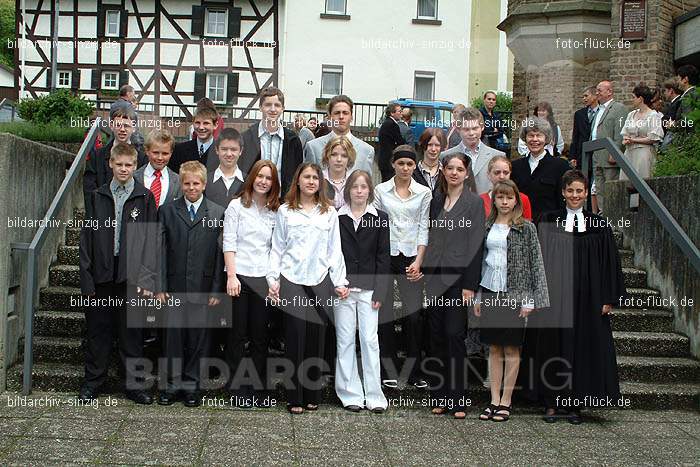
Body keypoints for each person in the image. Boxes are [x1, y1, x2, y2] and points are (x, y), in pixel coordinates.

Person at [527, 170, 624, 424]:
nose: (575, 195)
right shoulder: (547, 221)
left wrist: (608, 298)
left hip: (587, 300)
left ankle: (575, 404)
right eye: (570, 190)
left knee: (582, 349)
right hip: (554, 297)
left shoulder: (599, 226)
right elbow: (535, 260)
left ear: (585, 193)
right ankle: (551, 402)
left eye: (579, 191)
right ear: (563, 192)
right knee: (552, 347)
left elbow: (609, 265)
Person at [78, 142, 157, 404]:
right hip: (101, 275)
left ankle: (134, 386)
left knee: (131, 335)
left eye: (129, 165)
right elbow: (86, 241)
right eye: (119, 164)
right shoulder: (97, 196)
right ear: (110, 164)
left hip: (130, 277)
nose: (124, 169)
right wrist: (87, 282)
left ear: (136, 166)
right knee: (97, 333)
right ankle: (93, 382)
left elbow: (150, 242)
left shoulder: (145, 198)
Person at [267, 163, 349, 414]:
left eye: (315, 177)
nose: (311, 181)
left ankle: (312, 394)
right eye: (307, 177)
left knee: (316, 337)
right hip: (292, 279)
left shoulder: (329, 213)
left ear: (320, 183)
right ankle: (294, 397)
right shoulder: (285, 211)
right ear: (298, 181)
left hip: (320, 279)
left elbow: (334, 250)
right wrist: (273, 279)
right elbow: (277, 248)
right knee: (295, 336)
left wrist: (340, 281)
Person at [475, 180, 548, 423]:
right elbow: (479, 262)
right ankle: (493, 399)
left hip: (514, 293)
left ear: (516, 200)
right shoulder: (486, 226)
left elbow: (536, 264)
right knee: (493, 347)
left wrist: (531, 299)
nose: (504, 202)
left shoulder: (526, 228)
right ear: (494, 200)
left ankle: (507, 400)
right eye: (500, 197)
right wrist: (477, 294)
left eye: (509, 197)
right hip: (489, 290)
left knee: (511, 348)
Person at [156, 161, 225, 407]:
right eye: (187, 183)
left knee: (198, 338)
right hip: (174, 286)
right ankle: (171, 385)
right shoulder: (167, 211)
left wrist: (217, 289)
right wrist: (160, 286)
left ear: (204, 185)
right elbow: (160, 251)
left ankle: (192, 385)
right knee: (172, 337)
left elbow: (220, 255)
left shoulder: (217, 213)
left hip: (203, 288)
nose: (191, 188)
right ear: (180, 184)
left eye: (196, 183)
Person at [423, 152, 484, 419]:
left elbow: (476, 245)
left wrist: (470, 284)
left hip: (459, 280)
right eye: (450, 168)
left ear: (467, 173)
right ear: (444, 171)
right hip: (435, 277)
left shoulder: (473, 203)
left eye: (460, 169)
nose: (454, 173)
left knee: (454, 336)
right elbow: (430, 237)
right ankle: (439, 395)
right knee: (435, 336)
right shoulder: (436, 201)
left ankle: (458, 397)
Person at [373, 145, 431, 389]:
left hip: (411, 257)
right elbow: (376, 225)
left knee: (414, 316)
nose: (405, 168)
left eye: (409, 164)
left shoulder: (424, 192)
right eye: (401, 164)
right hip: (387, 256)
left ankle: (414, 370)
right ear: (393, 164)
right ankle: (388, 369)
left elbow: (423, 227)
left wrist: (418, 261)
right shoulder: (380, 190)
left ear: (415, 166)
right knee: (384, 314)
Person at [223, 160, 280, 406]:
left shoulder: (276, 211)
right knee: (237, 335)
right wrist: (231, 276)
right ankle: (236, 387)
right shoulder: (236, 206)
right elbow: (229, 243)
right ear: (252, 178)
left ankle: (258, 388)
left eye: (268, 178)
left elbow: (276, 248)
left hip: (263, 279)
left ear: (273, 183)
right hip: (240, 277)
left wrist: (273, 281)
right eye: (260, 176)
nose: (263, 181)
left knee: (260, 335)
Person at [335, 170, 391, 413]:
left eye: (364, 187)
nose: (359, 191)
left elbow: (383, 256)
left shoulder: (380, 217)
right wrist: (337, 283)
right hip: (344, 289)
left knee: (369, 340)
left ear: (370, 191)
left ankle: (375, 395)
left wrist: (381, 290)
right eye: (355, 186)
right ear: (348, 190)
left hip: (369, 290)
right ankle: (350, 394)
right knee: (345, 341)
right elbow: (332, 254)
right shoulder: (336, 218)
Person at [239, 87, 304, 198]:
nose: (273, 109)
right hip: (253, 201)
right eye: (268, 105)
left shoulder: (293, 140)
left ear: (283, 108)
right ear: (260, 107)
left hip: (283, 202)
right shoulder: (246, 138)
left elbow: (297, 173)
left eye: (277, 105)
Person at [84, 108, 147, 213]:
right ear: (111, 126)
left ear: (134, 128)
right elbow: (89, 189)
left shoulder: (142, 159)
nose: (122, 129)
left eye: (126, 126)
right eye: (118, 125)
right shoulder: (97, 156)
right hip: (102, 215)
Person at [511, 117, 570, 222]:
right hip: (520, 225)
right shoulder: (515, 167)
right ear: (525, 138)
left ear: (546, 138)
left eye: (539, 135)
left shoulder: (560, 166)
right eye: (530, 135)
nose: (534, 139)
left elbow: (563, 201)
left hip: (549, 227)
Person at [304, 95, 375, 175]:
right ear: (330, 117)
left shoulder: (366, 151)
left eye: (345, 113)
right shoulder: (313, 147)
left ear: (351, 117)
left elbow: (366, 185)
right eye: (337, 113)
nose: (341, 117)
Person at [441, 107, 503, 194]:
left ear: (482, 127)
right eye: (466, 129)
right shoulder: (445, 156)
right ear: (458, 130)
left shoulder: (497, 156)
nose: (471, 133)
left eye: (475, 128)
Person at [590, 80, 628, 213]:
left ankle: (613, 217)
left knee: (611, 187)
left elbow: (620, 132)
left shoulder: (619, 108)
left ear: (609, 92)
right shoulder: (597, 110)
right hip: (597, 154)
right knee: (599, 188)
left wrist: (615, 152)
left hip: (609, 155)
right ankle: (603, 215)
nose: (597, 93)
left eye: (599, 90)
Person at [620, 84, 664, 180]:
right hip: (629, 153)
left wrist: (635, 140)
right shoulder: (631, 114)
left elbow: (654, 138)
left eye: (634, 97)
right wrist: (626, 140)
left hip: (643, 152)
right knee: (626, 182)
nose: (632, 99)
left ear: (640, 99)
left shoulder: (653, 115)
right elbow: (625, 133)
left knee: (642, 181)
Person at [133, 129, 182, 210]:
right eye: (155, 153)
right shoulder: (134, 177)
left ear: (171, 153)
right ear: (147, 151)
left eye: (165, 153)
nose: (160, 158)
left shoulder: (178, 181)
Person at [480, 156, 532, 220]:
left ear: (510, 174)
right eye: (497, 173)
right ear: (488, 174)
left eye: (505, 173)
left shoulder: (522, 199)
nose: (502, 176)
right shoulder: (479, 201)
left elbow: (528, 228)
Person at [169, 107, 219, 174]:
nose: (201, 127)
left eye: (206, 123)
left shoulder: (221, 153)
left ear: (215, 125)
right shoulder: (179, 149)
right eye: (197, 123)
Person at [205, 128, 246, 208]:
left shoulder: (249, 181)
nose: (229, 154)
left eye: (233, 150)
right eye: (224, 149)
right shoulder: (205, 180)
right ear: (217, 150)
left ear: (241, 151)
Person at [322, 135, 356, 209]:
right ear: (327, 156)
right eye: (334, 155)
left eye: (344, 156)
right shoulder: (318, 179)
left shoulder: (355, 180)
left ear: (349, 158)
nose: (339, 159)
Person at [569, 86, 599, 168]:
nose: (584, 99)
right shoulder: (579, 114)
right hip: (582, 153)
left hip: (597, 152)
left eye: (586, 96)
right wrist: (572, 156)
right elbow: (575, 136)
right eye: (583, 97)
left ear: (595, 96)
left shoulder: (602, 112)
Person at [377, 102, 405, 182]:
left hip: (384, 159)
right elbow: (400, 141)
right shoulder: (392, 125)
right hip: (388, 161)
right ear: (392, 113)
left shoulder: (386, 123)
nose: (401, 114)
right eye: (399, 111)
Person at [413, 128, 445, 193]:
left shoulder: (446, 172)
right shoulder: (412, 172)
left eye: (437, 145)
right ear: (423, 145)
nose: (433, 149)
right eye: (430, 145)